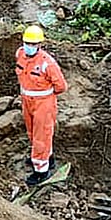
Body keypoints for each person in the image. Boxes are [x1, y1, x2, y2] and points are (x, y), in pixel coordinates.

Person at [16, 25, 68, 186]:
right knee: (33, 133)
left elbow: (61, 86)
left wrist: (44, 96)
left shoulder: (47, 64)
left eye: (33, 44)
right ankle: (46, 158)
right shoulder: (20, 55)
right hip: (27, 100)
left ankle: (41, 171)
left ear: (39, 45)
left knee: (41, 136)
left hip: (43, 103)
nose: (29, 47)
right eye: (27, 43)